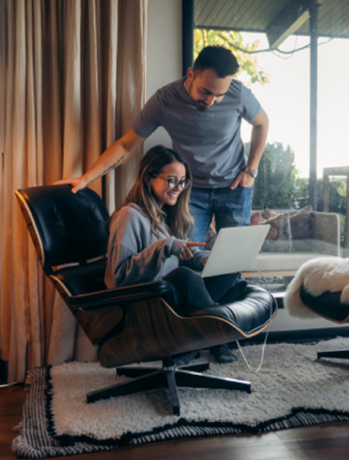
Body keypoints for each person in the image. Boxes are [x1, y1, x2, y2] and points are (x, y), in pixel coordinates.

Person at [59, 46, 269, 363]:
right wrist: (87, 178)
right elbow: (128, 143)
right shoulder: (164, 100)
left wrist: (251, 169)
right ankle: (190, 335)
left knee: (226, 262)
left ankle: (216, 337)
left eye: (219, 96)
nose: (211, 101)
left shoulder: (238, 94)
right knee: (183, 266)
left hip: (233, 186)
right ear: (190, 75)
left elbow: (262, 122)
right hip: (189, 189)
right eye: (206, 92)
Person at [105, 146, 247, 365]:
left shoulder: (167, 216)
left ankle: (197, 340)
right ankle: (216, 336)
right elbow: (118, 277)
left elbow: (183, 253)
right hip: (149, 305)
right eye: (172, 180)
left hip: (173, 298)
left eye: (183, 181)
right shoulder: (129, 216)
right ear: (149, 179)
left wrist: (204, 259)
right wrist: (165, 246)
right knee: (184, 276)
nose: (178, 188)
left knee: (227, 267)